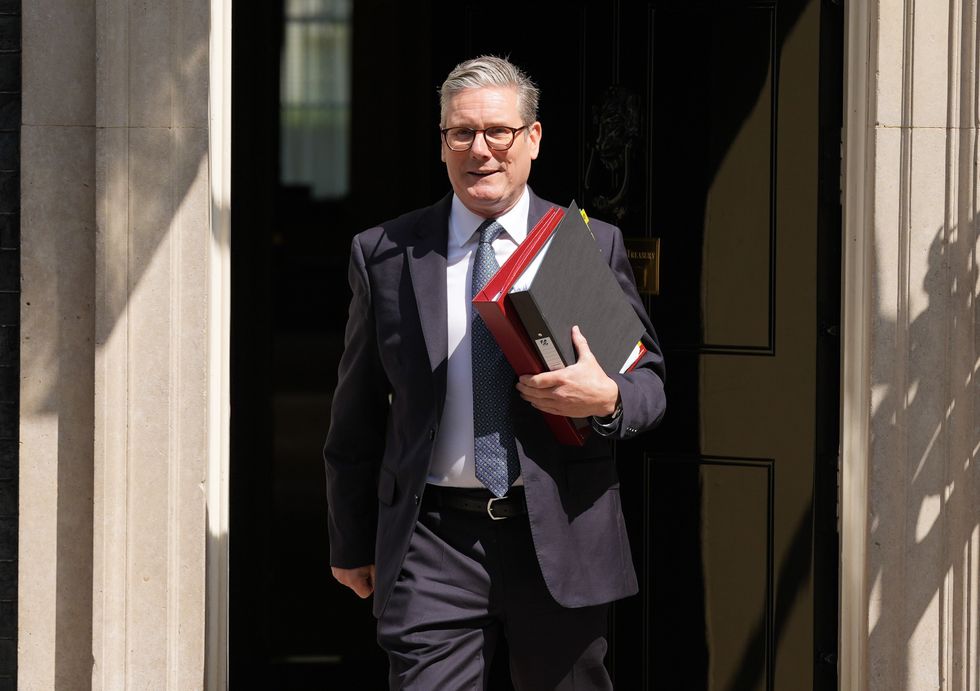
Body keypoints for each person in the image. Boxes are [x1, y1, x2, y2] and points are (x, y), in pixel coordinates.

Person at [323, 55, 666, 690]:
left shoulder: (584, 245)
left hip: (561, 531)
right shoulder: (388, 253)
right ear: (443, 142)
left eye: (498, 132)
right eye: (461, 133)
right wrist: (350, 540)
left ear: (533, 139)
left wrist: (606, 398)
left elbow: (651, 389)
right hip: (433, 542)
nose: (480, 149)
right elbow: (357, 411)